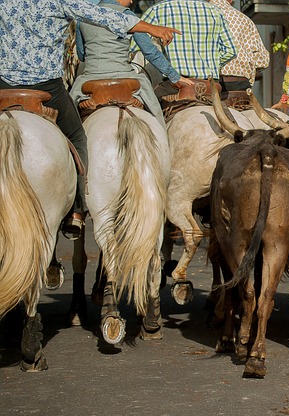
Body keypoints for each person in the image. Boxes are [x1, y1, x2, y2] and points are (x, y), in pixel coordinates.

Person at [0, 0, 180, 239]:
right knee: (77, 138)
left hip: (4, 85)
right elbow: (102, 15)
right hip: (47, 87)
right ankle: (76, 209)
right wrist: (150, 28)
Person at [70, 0, 194, 129]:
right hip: (126, 76)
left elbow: (81, 54)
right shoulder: (129, 16)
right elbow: (150, 52)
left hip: (91, 77)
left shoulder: (83, 17)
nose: (131, 1)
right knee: (156, 115)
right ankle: (163, 143)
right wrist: (174, 76)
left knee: (67, 119)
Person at [135, 0, 237, 99]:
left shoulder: (156, 10)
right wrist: (211, 66)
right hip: (210, 86)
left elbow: (135, 49)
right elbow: (230, 51)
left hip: (175, 83)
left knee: (145, 106)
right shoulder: (215, 11)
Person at [208, 0, 269, 93]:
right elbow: (262, 61)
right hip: (239, 83)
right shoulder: (244, 19)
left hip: (208, 83)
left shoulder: (200, 16)